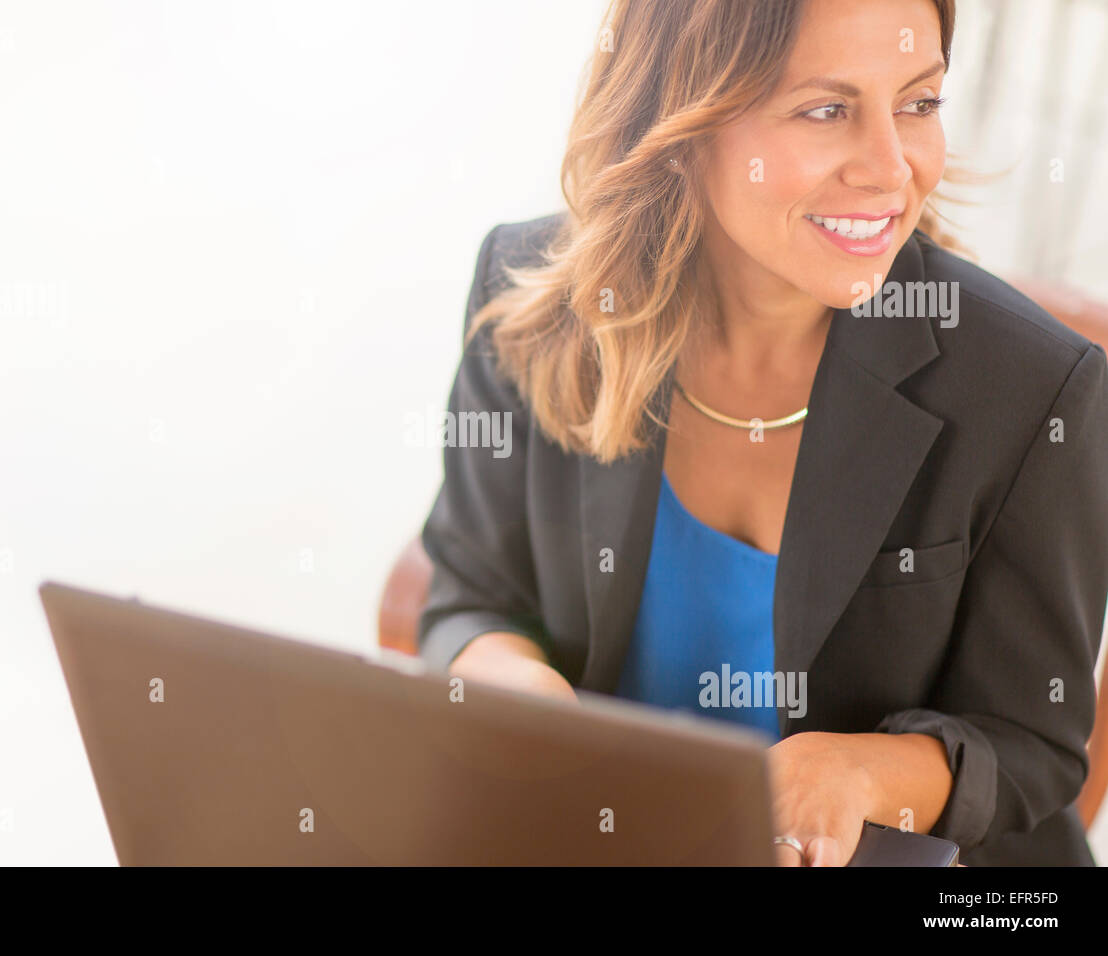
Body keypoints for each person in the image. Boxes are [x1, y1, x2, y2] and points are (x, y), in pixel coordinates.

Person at [417, 0, 1108, 866]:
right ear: (681, 118)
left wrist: (861, 772)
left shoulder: (1034, 388)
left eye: (919, 103)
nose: (893, 170)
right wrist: (511, 684)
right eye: (826, 109)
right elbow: (467, 593)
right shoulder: (533, 299)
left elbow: (1033, 745)